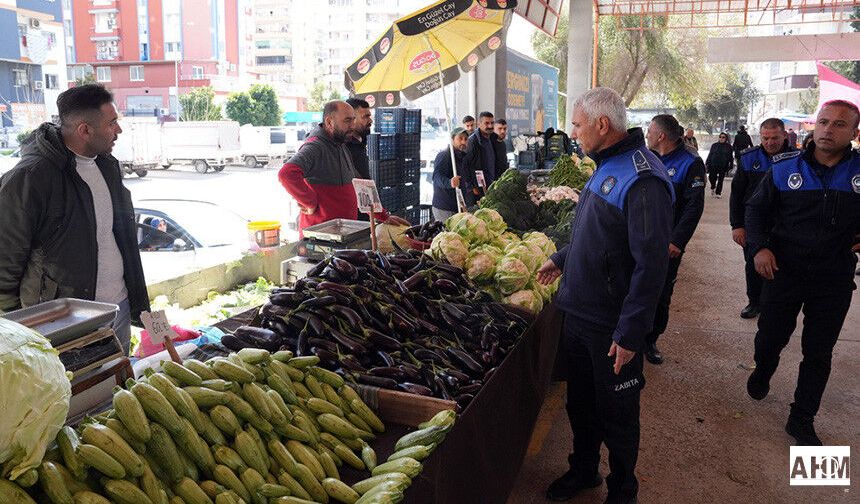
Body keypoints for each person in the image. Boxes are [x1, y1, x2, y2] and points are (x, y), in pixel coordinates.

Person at [536, 87, 674, 504]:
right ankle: (583, 470)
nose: (572, 132)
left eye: (577, 124)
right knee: (581, 404)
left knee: (617, 413)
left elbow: (651, 266)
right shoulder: (604, 163)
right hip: (578, 311)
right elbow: (595, 231)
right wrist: (562, 257)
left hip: (610, 324)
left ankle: (622, 489)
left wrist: (631, 333)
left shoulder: (642, 177)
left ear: (601, 124)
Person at [0, 84, 149, 353]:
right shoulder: (30, 178)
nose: (119, 130)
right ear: (84, 130)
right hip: (64, 322)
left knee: (119, 386)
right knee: (77, 391)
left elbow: (117, 235)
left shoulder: (107, 165)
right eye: (112, 123)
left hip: (119, 308)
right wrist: (16, 330)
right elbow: (5, 261)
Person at [745, 100, 860, 446]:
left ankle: (802, 418)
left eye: (839, 124)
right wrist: (759, 248)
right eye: (823, 121)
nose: (828, 129)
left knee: (819, 351)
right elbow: (755, 211)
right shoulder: (783, 168)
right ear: (814, 127)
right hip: (785, 272)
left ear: (854, 133)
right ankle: (764, 369)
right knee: (769, 339)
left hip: (834, 277)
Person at [278, 100, 408, 236]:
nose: (352, 125)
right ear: (329, 122)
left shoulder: (342, 145)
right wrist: (309, 202)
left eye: (353, 120)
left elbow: (360, 184)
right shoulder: (315, 146)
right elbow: (287, 173)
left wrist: (383, 216)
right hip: (322, 237)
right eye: (347, 121)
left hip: (344, 233)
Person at [643, 115, 705, 365]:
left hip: (666, 243)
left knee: (660, 292)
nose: (646, 134)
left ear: (661, 136)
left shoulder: (690, 162)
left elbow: (693, 207)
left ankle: (650, 340)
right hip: (641, 236)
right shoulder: (646, 158)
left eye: (650, 131)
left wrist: (677, 241)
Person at [729, 118, 794, 319]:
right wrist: (737, 225)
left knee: (783, 267)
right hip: (753, 224)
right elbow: (737, 194)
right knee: (753, 265)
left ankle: (776, 305)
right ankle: (754, 302)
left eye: (775, 137)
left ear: (784, 135)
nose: (770, 142)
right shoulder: (749, 158)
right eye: (765, 138)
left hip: (785, 225)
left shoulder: (798, 159)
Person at [431, 127, 472, 221]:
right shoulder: (444, 155)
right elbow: (436, 177)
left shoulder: (462, 157)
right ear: (452, 139)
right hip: (444, 207)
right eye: (460, 138)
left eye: (466, 139)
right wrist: (450, 182)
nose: (463, 142)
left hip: (456, 205)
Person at [463, 111, 507, 196]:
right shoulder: (472, 141)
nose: (490, 126)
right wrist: (472, 187)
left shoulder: (495, 139)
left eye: (492, 123)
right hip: (477, 189)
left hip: (493, 186)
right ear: (479, 124)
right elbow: (465, 165)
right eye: (487, 123)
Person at [345, 97, 373, 180]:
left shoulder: (363, 139)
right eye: (365, 117)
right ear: (352, 119)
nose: (370, 120)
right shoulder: (344, 146)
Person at [705, 132, 733, 197]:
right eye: (720, 137)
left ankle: (718, 193)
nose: (721, 138)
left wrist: (731, 165)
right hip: (713, 164)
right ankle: (713, 186)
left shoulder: (729, 147)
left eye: (723, 137)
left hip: (723, 165)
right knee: (711, 177)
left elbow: (730, 157)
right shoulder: (714, 145)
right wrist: (707, 162)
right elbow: (710, 154)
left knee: (721, 179)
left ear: (726, 138)